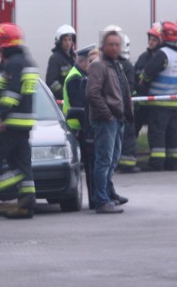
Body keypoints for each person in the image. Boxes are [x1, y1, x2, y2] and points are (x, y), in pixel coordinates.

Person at [0, 23, 39, 219]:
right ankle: (26, 206)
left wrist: (1, 117)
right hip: (24, 123)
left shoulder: (13, 64)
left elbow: (10, 93)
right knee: (24, 163)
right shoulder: (27, 61)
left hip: (12, 123)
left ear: (5, 43)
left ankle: (13, 179)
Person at [86, 28, 134, 214]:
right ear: (103, 46)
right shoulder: (99, 65)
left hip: (117, 119)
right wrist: (107, 115)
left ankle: (106, 195)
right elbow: (93, 93)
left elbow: (122, 90)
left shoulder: (115, 65)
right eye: (111, 44)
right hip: (106, 120)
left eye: (117, 44)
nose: (114, 48)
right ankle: (101, 200)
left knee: (112, 160)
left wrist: (126, 115)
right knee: (104, 160)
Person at [137, 22, 177, 171]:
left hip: (159, 101)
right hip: (173, 101)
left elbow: (148, 72)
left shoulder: (163, 53)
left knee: (157, 133)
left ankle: (156, 163)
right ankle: (172, 162)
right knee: (172, 133)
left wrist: (142, 83)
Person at [62, 44, 97, 209]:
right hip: (78, 129)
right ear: (83, 62)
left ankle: (95, 198)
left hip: (83, 127)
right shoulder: (75, 78)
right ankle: (93, 199)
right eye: (89, 62)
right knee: (89, 166)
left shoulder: (80, 75)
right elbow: (79, 105)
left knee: (92, 165)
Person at [133, 23, 163, 136]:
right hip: (141, 103)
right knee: (133, 128)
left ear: (160, 41)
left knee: (155, 132)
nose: (150, 42)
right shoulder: (143, 57)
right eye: (150, 39)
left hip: (156, 104)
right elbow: (134, 74)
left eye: (154, 40)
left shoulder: (162, 58)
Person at [117, 33, 141, 173]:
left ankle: (118, 162)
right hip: (124, 107)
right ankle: (127, 164)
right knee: (128, 134)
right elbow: (130, 87)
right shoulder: (127, 66)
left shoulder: (108, 64)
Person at [46, 24, 76, 100]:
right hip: (61, 101)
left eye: (70, 40)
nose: (68, 43)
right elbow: (52, 82)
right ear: (59, 42)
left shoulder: (74, 57)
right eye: (65, 40)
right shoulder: (55, 59)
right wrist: (65, 95)